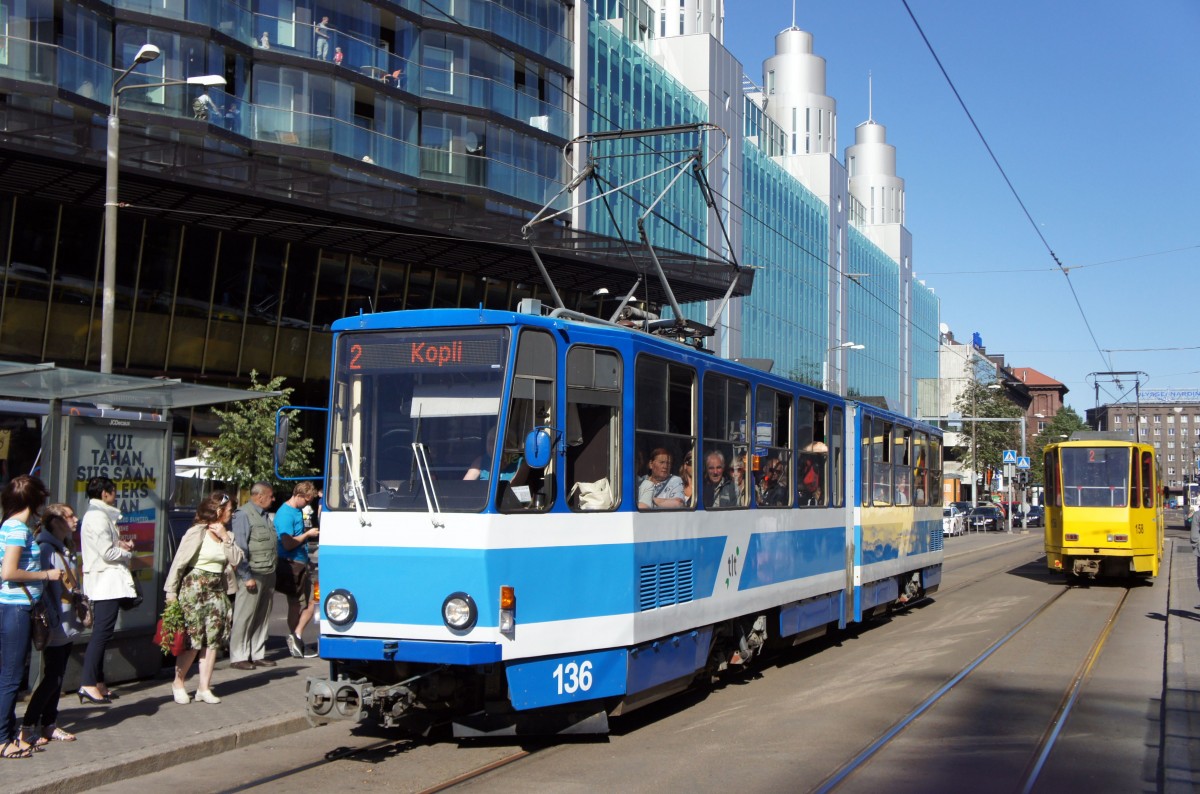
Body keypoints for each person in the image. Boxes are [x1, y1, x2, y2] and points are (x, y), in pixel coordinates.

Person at [163, 491, 244, 704]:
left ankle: (203, 688)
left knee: (213, 640)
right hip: (193, 590)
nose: (231, 514)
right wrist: (171, 592)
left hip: (216, 591)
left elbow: (237, 560)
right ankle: (178, 683)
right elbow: (179, 563)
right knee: (194, 640)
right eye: (229, 510)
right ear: (218, 511)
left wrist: (225, 538)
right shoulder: (197, 532)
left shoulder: (228, 535)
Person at [0, 475, 59, 759]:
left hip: (14, 607)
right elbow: (9, 572)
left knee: (10, 675)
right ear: (35, 500)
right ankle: (3, 739)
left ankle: (10, 734)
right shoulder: (16, 529)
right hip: (17, 608)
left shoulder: (10, 526)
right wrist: (45, 574)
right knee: (11, 677)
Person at [21, 504, 82, 745]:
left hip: (66, 620)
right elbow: (42, 588)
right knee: (53, 676)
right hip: (56, 621)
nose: (75, 519)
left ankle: (49, 723)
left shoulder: (65, 546)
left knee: (58, 674)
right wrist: (53, 617)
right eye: (69, 516)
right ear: (56, 522)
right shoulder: (46, 548)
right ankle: (28, 724)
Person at [79, 476, 135, 705]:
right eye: (113, 491)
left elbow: (105, 547)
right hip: (105, 583)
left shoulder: (99, 515)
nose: (116, 495)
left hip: (105, 581)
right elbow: (106, 553)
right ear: (104, 493)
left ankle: (98, 682)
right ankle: (88, 683)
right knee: (101, 633)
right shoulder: (98, 516)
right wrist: (126, 553)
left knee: (104, 633)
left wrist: (119, 545)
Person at [228, 483, 277, 670]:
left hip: (268, 572)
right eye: (271, 496)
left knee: (262, 616)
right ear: (260, 496)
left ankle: (257, 653)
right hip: (252, 573)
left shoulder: (264, 516)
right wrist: (245, 575)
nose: (273, 499)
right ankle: (238, 656)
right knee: (244, 615)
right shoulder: (243, 515)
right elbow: (240, 548)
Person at [275, 481, 319, 658]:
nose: (308, 504)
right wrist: (308, 534)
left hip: (301, 561)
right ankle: (296, 639)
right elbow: (287, 543)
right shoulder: (285, 514)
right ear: (299, 495)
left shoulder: (296, 511)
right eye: (307, 500)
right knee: (297, 603)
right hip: (292, 563)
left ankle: (297, 636)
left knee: (310, 600)